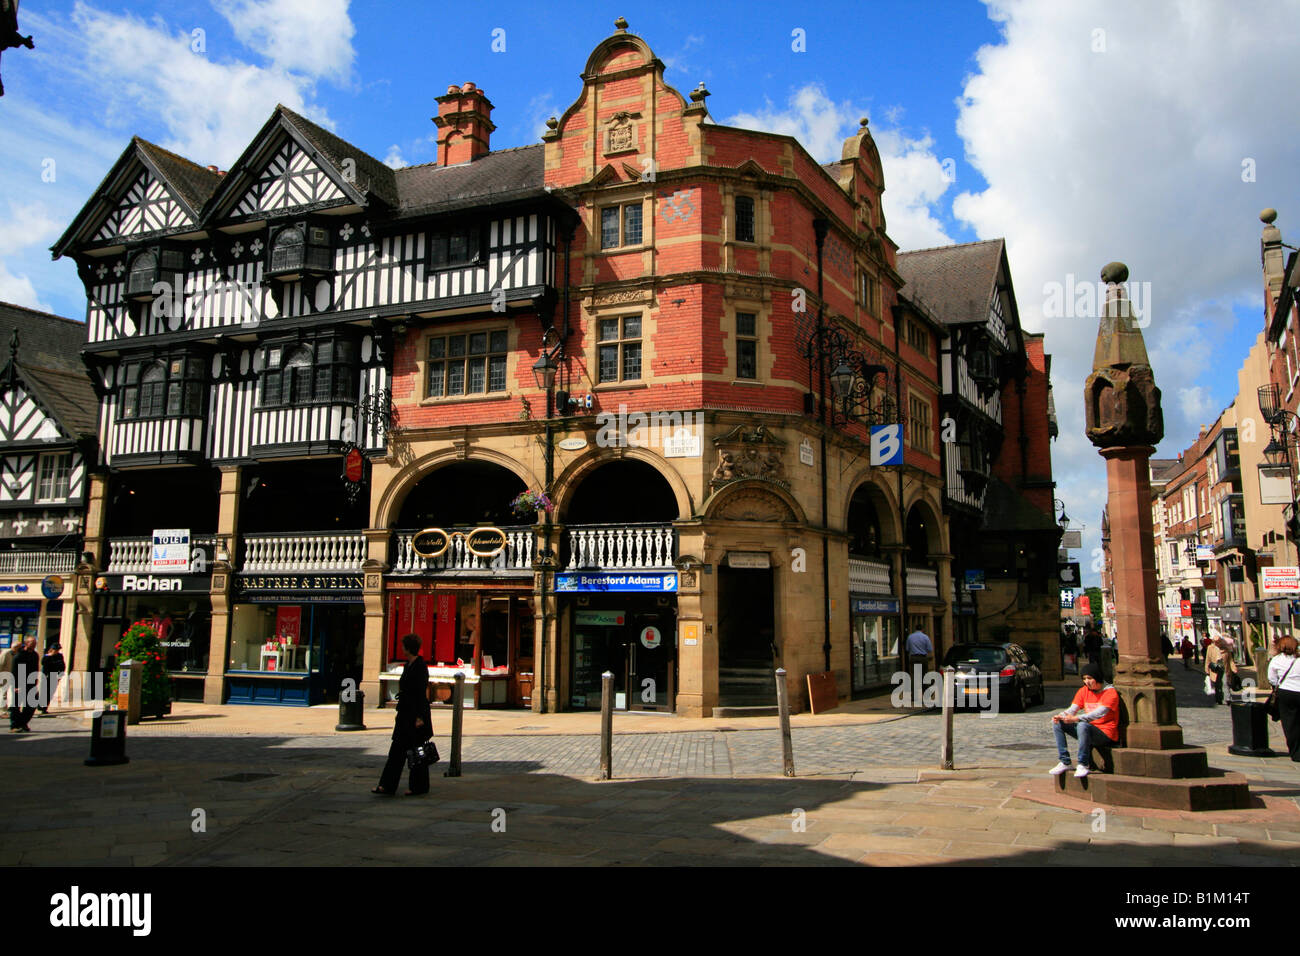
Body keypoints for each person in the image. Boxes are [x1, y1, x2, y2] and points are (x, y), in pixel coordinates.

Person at [373, 633, 434, 796]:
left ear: (408, 648)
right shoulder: (408, 665)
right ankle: (386, 785)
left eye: (403, 646)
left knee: (417, 752)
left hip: (415, 715)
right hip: (405, 714)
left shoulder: (420, 666)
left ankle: (419, 787)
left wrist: (420, 717)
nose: (402, 648)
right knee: (396, 752)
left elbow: (421, 693)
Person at [1048, 663, 1120, 778]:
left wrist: (1076, 718)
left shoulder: (1110, 692)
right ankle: (1065, 761)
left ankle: (1083, 763)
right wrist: (1061, 716)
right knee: (1057, 723)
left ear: (1097, 677)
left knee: (1082, 725)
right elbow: (1072, 709)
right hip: (1087, 731)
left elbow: (1099, 713)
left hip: (1105, 733)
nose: (1087, 681)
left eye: (1090, 678)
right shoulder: (1084, 691)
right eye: (1084, 679)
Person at [1267, 636, 1300, 762]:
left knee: (1290, 723)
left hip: (1285, 693)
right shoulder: (1298, 660)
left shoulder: (1276, 660)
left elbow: (1272, 678)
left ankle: (1296, 753)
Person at [8, 637, 39, 732]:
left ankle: (23, 722)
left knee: (32, 704)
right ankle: (14, 726)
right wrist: (16, 686)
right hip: (19, 682)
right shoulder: (19, 655)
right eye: (31, 642)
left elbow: (36, 668)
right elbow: (14, 671)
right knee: (16, 705)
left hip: (31, 682)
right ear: (26, 643)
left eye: (35, 642)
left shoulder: (35, 655)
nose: (34, 644)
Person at [1204, 633, 1237, 705]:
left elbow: (1230, 660)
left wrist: (1234, 668)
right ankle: (1218, 698)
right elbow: (1208, 659)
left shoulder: (1226, 648)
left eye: (1218, 641)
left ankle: (1227, 698)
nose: (1217, 643)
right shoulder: (1210, 648)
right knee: (1217, 684)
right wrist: (1207, 669)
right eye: (1215, 641)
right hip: (1215, 670)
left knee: (1225, 683)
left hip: (1224, 668)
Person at [39, 643, 65, 714]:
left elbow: (62, 666)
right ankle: (40, 705)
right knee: (43, 692)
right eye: (56, 650)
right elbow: (43, 663)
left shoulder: (59, 656)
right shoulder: (47, 656)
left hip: (54, 676)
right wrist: (50, 656)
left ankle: (44, 708)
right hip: (45, 676)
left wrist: (60, 676)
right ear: (52, 649)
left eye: (58, 650)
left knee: (50, 693)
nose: (57, 651)